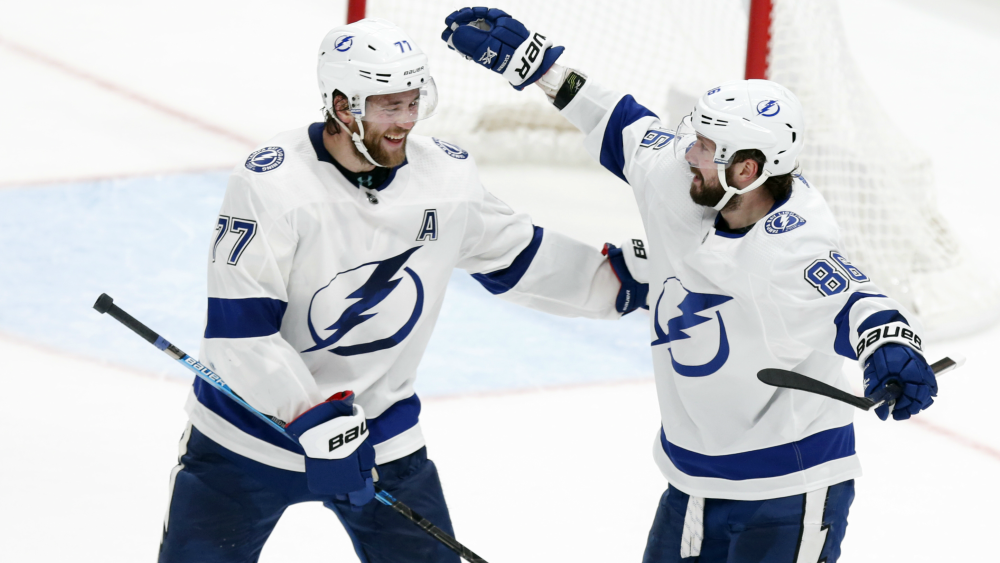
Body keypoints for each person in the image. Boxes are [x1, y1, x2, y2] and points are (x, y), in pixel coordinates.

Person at [443, 7, 939, 562]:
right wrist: (533, 64)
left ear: (747, 170)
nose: (688, 151)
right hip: (693, 482)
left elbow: (857, 302)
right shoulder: (680, 177)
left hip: (789, 488)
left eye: (705, 145)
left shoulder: (791, 245)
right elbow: (617, 120)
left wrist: (892, 345)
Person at [158, 17, 630, 563]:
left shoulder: (444, 179)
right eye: (389, 106)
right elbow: (240, 335)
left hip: (380, 440)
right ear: (342, 106)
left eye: (413, 102)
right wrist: (312, 419)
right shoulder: (273, 184)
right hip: (245, 440)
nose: (406, 120)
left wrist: (619, 284)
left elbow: (517, 255)